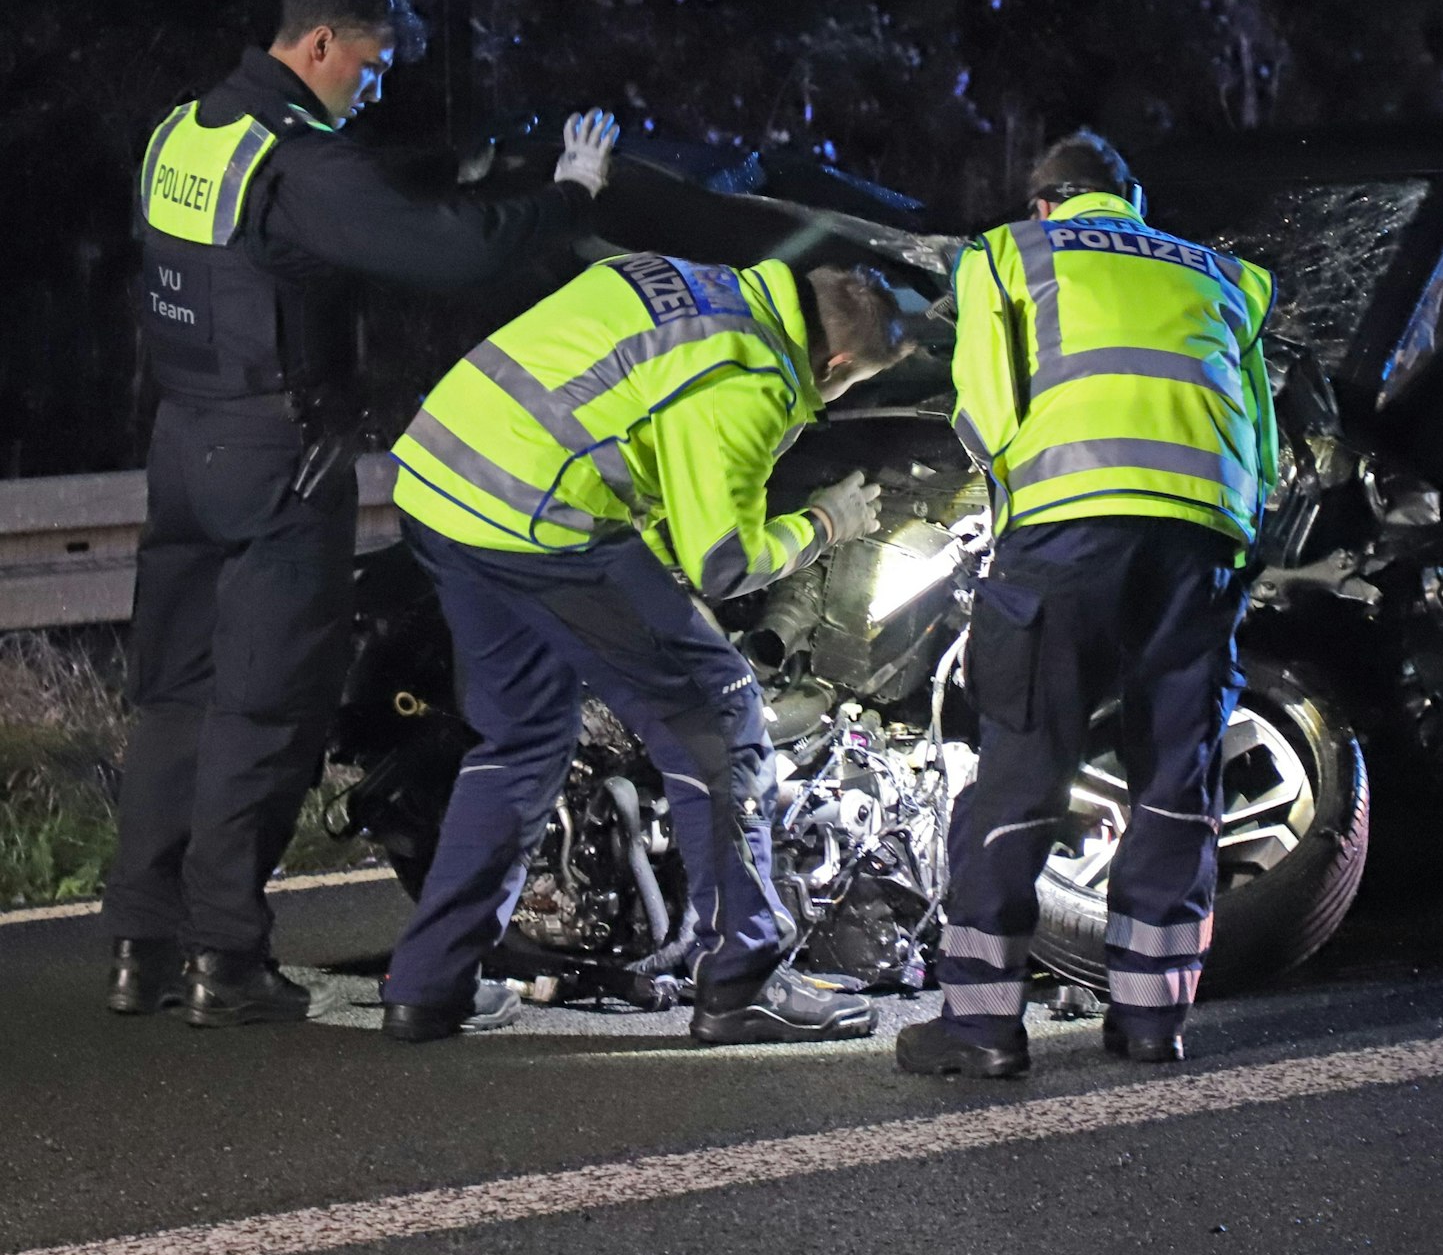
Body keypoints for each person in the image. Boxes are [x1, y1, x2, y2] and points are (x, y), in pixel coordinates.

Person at [103, 0, 621, 1027]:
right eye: (372, 69)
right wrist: (564, 199)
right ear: (322, 45)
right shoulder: (300, 167)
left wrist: (458, 163)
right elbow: (450, 256)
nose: (373, 89)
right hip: (277, 457)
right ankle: (227, 964)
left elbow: (337, 207)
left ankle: (141, 949)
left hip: (183, 446)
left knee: (175, 703)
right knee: (268, 706)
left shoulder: (186, 132)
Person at [377, 248, 915, 1042]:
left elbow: (629, 419)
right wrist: (826, 524)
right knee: (720, 716)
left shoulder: (684, 278)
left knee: (523, 737)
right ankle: (743, 979)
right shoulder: (749, 376)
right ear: (837, 362)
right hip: (537, 518)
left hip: (440, 484)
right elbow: (724, 563)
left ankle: (428, 987)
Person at [896, 130, 1280, 1078]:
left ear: (1043, 203)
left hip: (1067, 530)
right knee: (1174, 770)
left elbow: (984, 408)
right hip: (1200, 541)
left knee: (1023, 765)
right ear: (1132, 200)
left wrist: (1012, 510)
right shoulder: (1223, 276)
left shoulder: (1009, 254)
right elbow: (1263, 448)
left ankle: (981, 1028)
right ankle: (1153, 1020)